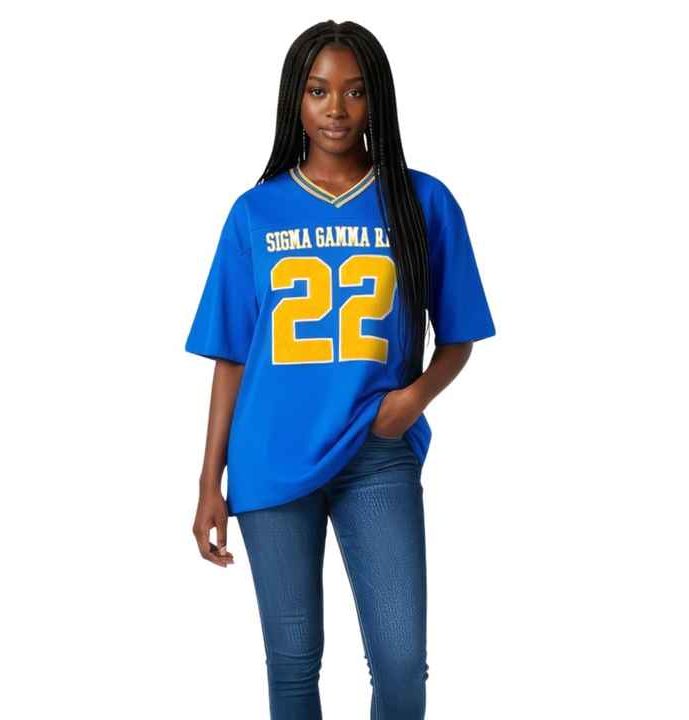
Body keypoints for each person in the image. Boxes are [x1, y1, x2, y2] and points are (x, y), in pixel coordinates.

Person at [185, 19, 495, 720]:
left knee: (401, 664)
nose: (336, 108)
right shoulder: (255, 212)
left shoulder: (422, 201)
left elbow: (459, 338)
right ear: (295, 99)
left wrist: (412, 400)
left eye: (355, 92)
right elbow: (232, 357)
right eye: (318, 90)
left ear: (377, 99)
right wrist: (209, 482)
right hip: (270, 454)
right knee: (293, 664)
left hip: (376, 452)